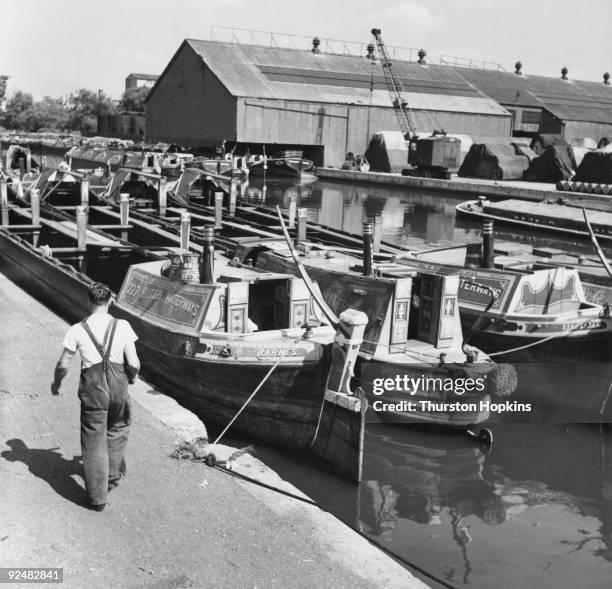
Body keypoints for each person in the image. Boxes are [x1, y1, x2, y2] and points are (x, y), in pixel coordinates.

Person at [51, 283, 140, 512]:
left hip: (93, 389)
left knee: (93, 440)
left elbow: (63, 364)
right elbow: (134, 363)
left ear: (89, 302)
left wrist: (57, 383)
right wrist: (131, 378)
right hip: (119, 384)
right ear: (110, 300)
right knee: (118, 427)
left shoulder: (78, 329)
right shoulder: (123, 326)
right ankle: (111, 476)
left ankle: (97, 499)